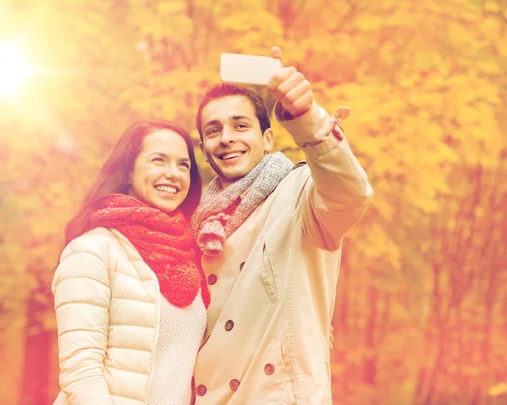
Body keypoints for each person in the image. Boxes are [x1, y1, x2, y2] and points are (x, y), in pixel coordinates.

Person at [190, 47, 374, 404]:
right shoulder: (194, 225)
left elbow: (351, 193)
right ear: (204, 147)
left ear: (268, 138)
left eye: (240, 125)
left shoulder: (301, 193)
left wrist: (307, 117)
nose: (226, 137)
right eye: (214, 131)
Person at [51, 120, 210, 405]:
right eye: (158, 160)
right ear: (128, 172)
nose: (173, 174)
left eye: (183, 165)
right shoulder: (93, 250)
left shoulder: (193, 258)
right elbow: (81, 372)